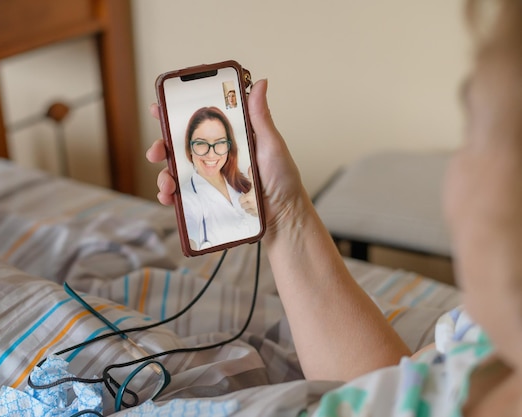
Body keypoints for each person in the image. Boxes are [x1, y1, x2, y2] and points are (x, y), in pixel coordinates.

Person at [147, 0, 522, 414]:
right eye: (200, 144)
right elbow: (385, 392)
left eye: (473, 137)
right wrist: (284, 214)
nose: (452, 170)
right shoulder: (481, 342)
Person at [180, 106, 260, 250]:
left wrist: (263, 206)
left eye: (220, 143)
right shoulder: (186, 199)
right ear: (189, 148)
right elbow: (189, 228)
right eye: (201, 143)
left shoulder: (247, 184)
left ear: (229, 147)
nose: (211, 155)